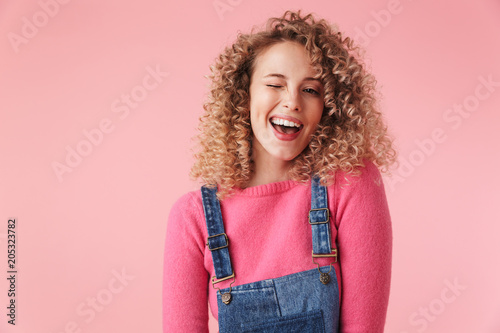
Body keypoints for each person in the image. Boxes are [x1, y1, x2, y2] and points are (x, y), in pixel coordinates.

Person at [163, 10, 396, 332]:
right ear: (243, 96)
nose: (292, 102)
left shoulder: (349, 183)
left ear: (329, 107)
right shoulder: (193, 216)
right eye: (275, 84)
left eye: (311, 90)